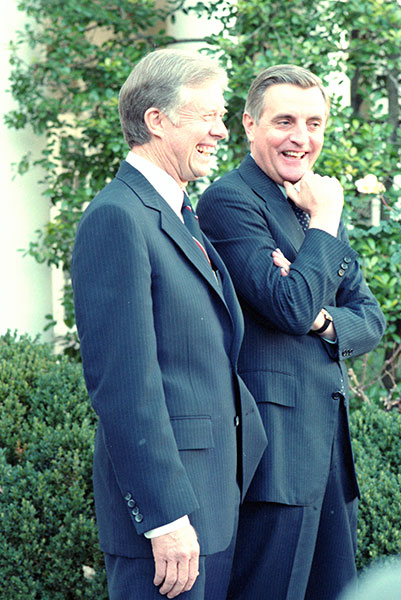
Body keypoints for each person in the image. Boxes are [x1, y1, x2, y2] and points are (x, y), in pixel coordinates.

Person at [71, 48, 267, 600]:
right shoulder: (117, 217)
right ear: (156, 121)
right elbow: (124, 386)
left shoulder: (183, 216)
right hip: (169, 527)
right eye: (207, 116)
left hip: (213, 508)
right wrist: (164, 518)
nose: (220, 131)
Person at [197, 64, 386, 600]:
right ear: (249, 124)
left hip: (329, 452)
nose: (301, 138)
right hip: (274, 455)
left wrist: (324, 319)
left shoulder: (312, 201)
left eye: (314, 123)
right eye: (284, 121)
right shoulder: (230, 201)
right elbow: (287, 305)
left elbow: (368, 318)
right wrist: (325, 226)